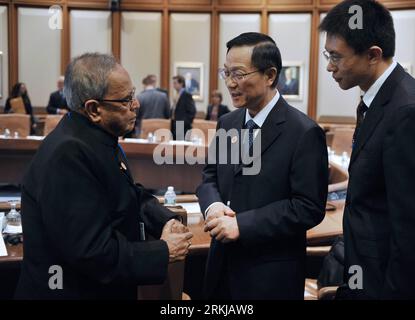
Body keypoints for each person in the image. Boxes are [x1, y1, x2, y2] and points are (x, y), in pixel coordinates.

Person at [15, 53, 193, 299]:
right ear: (94, 109)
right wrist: (163, 252)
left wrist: (164, 219)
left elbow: (128, 192)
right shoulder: (68, 154)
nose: (136, 105)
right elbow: (92, 251)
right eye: (126, 99)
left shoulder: (96, 137)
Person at [197, 32, 328, 299]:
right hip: (220, 267)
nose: (230, 84)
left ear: (270, 75)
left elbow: (308, 207)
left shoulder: (303, 132)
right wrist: (213, 206)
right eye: (226, 73)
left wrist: (242, 225)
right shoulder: (228, 123)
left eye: (239, 74)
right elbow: (209, 177)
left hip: (268, 276)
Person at [320, 0, 415, 299]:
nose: (329, 66)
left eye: (336, 56)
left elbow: (409, 226)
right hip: (363, 269)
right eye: (327, 54)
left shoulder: (405, 110)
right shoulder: (378, 99)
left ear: (373, 55)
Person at [171, 75, 196, 140]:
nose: (173, 85)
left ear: (181, 83)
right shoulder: (177, 95)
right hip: (175, 124)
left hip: (182, 126)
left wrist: (183, 124)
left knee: (181, 148)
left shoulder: (186, 95)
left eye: (175, 83)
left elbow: (192, 111)